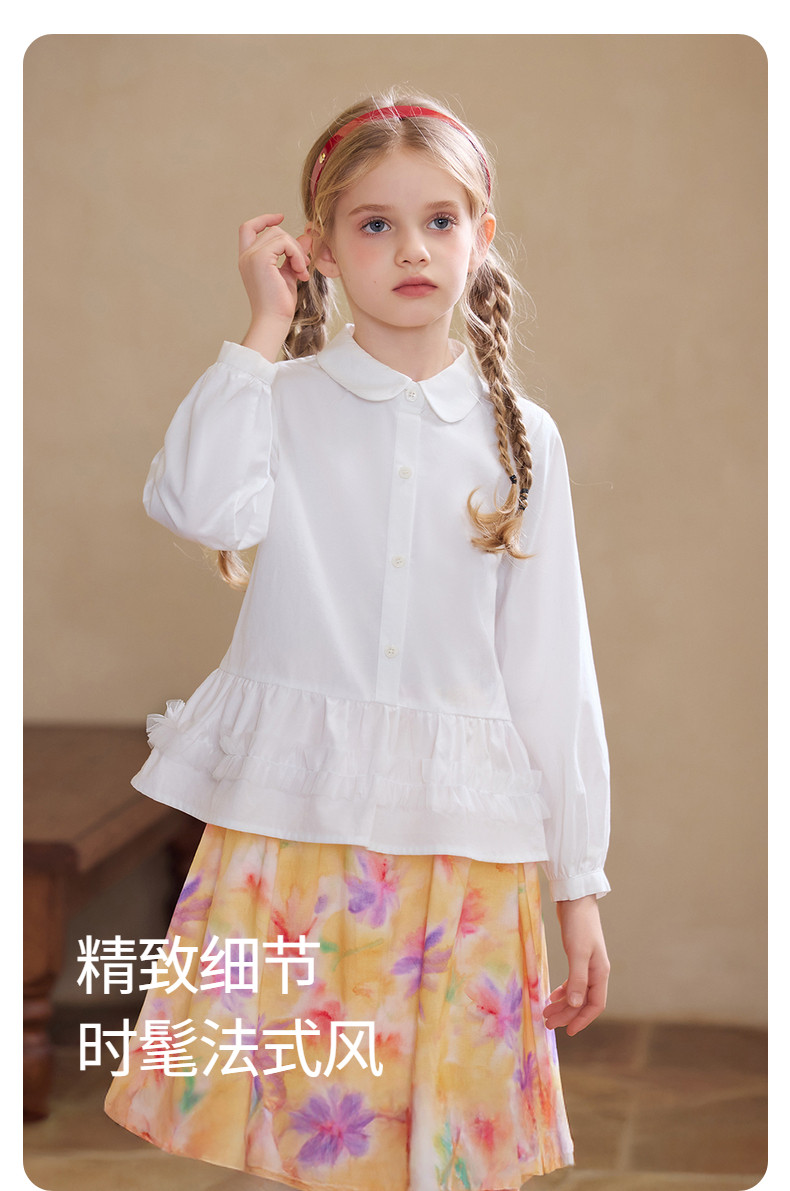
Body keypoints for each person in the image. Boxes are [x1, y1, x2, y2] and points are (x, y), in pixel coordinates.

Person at [104, 92, 611, 1191]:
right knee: (302, 1137)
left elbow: (550, 671)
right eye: (375, 223)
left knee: (438, 1148)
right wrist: (259, 326)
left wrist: (577, 886)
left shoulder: (523, 439)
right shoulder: (277, 399)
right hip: (292, 830)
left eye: (440, 220)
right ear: (322, 249)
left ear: (481, 237)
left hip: (462, 849)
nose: (412, 248)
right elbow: (195, 504)